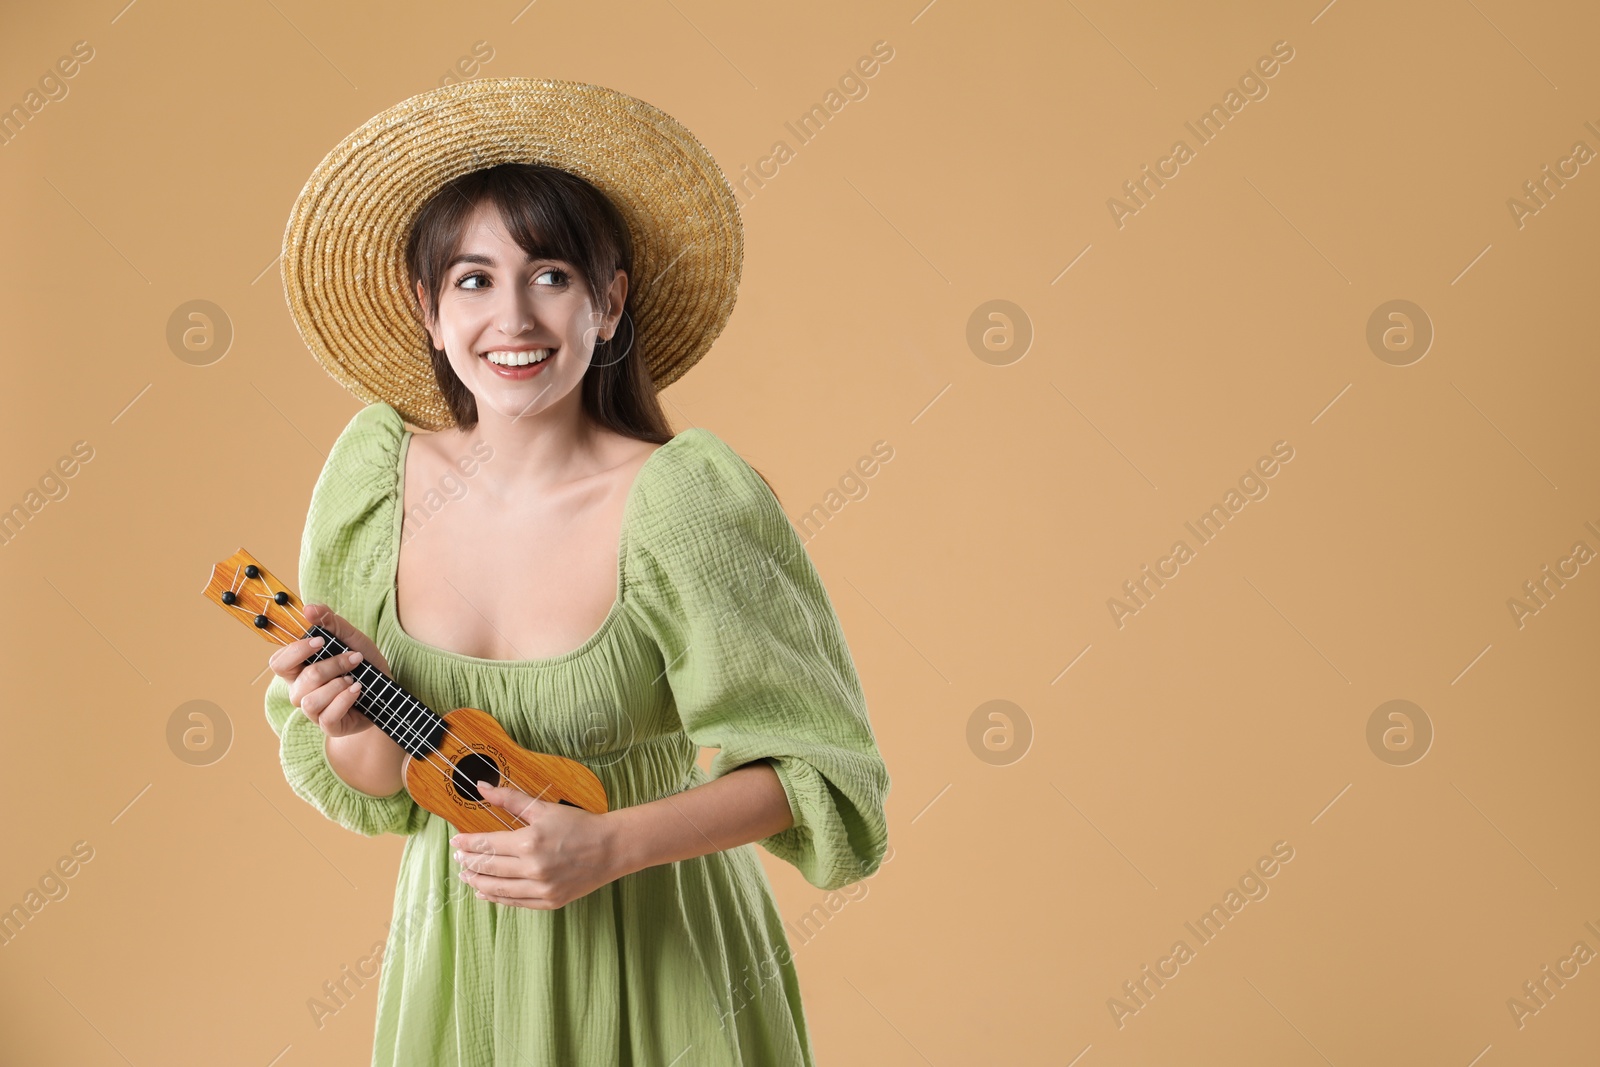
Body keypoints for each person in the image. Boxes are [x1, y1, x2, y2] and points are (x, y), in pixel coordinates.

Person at [262, 78, 891, 1065]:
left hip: (662, 960)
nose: (512, 316)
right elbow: (383, 787)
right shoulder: (373, 477)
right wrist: (348, 720)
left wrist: (609, 843)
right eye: (472, 279)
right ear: (428, 309)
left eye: (549, 274)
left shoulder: (686, 500)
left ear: (609, 300)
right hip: (457, 964)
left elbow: (816, 768)